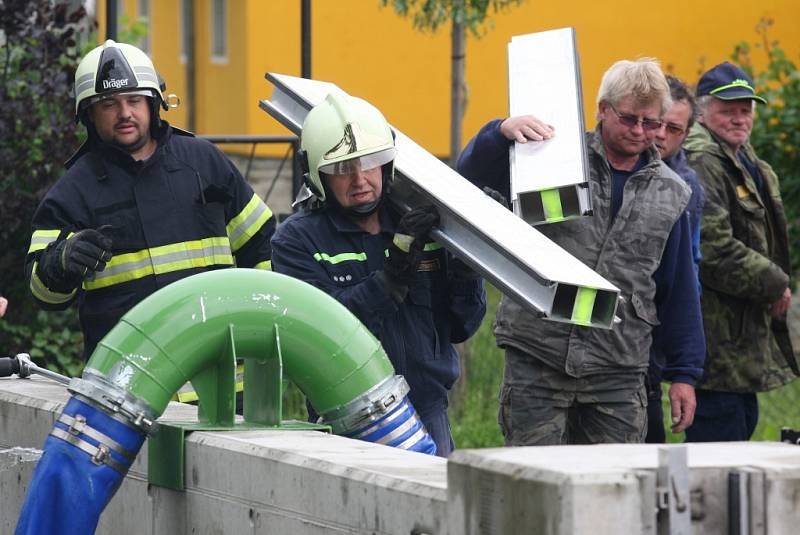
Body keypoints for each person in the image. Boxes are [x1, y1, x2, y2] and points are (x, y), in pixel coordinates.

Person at [458, 58, 705, 445]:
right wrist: (499, 133)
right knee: (533, 485)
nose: (640, 132)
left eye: (651, 123)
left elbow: (678, 288)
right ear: (602, 109)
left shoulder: (672, 192)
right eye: (628, 119)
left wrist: (685, 373)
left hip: (618, 369)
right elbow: (468, 179)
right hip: (539, 354)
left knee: (612, 490)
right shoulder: (549, 158)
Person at [25, 40, 275, 360]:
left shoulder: (205, 163)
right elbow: (42, 294)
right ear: (89, 114)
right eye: (109, 104)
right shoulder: (72, 193)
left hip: (221, 375)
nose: (125, 113)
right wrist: (61, 261)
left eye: (134, 100)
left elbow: (264, 247)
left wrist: (259, 322)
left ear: (154, 103)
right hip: (129, 384)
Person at [271, 93, 486, 456]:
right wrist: (392, 276)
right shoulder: (296, 240)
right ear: (316, 174)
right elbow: (325, 334)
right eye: (342, 169)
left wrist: (467, 269)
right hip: (347, 425)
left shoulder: (420, 226)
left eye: (370, 163)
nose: (359, 179)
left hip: (429, 413)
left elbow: (462, 326)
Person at [683, 62, 799, 441]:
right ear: (702, 111)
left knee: (738, 435)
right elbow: (713, 249)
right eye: (727, 110)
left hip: (739, 345)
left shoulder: (745, 161)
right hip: (715, 346)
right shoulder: (703, 161)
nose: (739, 118)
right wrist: (775, 284)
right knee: (718, 460)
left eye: (745, 109)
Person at [645, 75, 706, 443]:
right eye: (657, 123)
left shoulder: (686, 187)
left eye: (674, 129)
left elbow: (688, 271)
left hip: (650, 336)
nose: (660, 135)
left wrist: (682, 366)